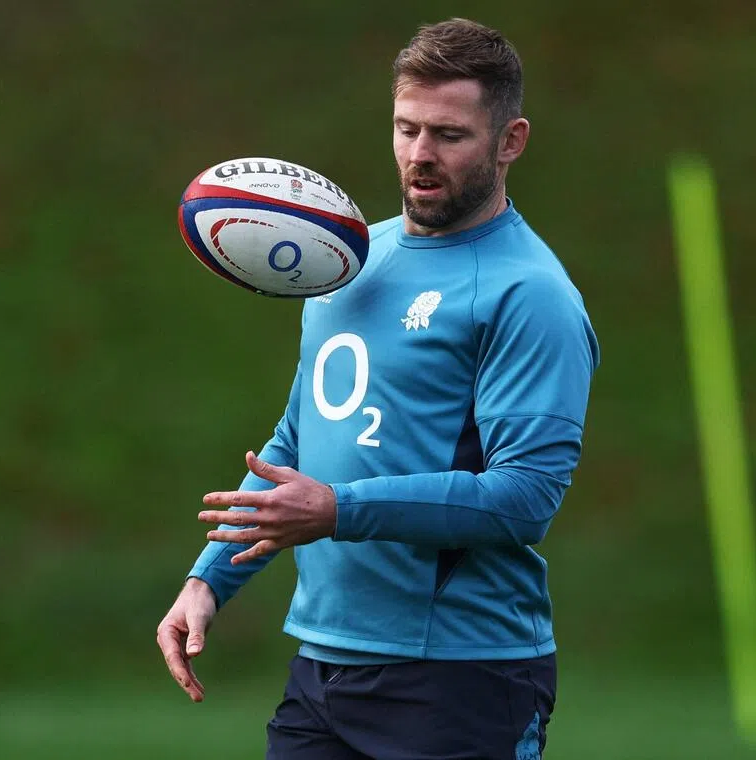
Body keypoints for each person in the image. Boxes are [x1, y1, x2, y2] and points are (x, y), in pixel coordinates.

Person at [157, 17, 600, 760]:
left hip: (463, 678)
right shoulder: (340, 258)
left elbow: (525, 498)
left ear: (510, 140)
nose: (420, 155)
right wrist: (209, 581)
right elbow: (300, 440)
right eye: (406, 128)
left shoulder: (529, 294)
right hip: (325, 668)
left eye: (449, 135)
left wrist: (338, 510)